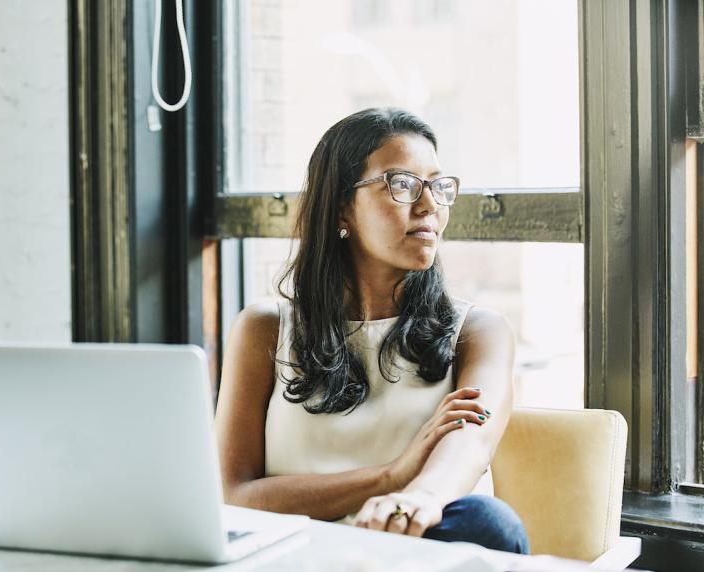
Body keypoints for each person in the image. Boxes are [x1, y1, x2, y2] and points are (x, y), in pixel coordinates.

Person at [214, 107, 529, 554]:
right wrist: (391, 476)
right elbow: (234, 497)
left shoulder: (477, 331)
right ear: (343, 204)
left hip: (411, 548)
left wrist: (417, 495)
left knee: (486, 523)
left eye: (438, 185)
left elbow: (471, 444)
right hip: (298, 558)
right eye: (401, 184)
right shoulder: (264, 329)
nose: (430, 205)